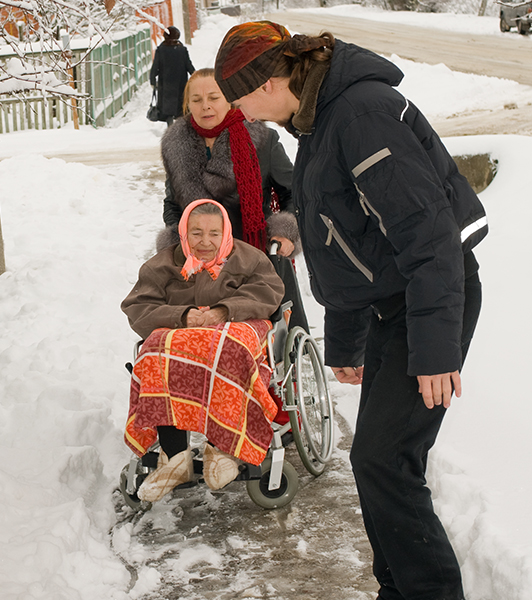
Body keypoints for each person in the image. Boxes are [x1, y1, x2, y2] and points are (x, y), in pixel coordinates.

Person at [214, 21, 488, 600]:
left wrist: (435, 348)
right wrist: (346, 339)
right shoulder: (317, 120)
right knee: (373, 460)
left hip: (432, 298)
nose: (244, 115)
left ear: (267, 83)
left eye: (240, 102)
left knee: (388, 462)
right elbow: (345, 241)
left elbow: (428, 235)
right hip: (396, 305)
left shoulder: (359, 115)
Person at [121, 199, 285, 503]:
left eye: (214, 233)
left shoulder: (249, 258)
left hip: (237, 326)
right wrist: (182, 316)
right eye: (196, 233)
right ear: (183, 233)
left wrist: (226, 309)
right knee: (156, 351)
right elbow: (138, 306)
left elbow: (268, 291)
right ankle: (175, 459)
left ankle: (221, 450)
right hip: (182, 331)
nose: (205, 242)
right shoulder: (163, 264)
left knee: (226, 349)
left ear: (225, 233)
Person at [159, 67, 309, 333]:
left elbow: (294, 193)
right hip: (200, 256)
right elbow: (173, 204)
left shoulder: (262, 138)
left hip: (256, 254)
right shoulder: (176, 145)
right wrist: (179, 239)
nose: (205, 106)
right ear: (188, 104)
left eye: (213, 97)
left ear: (228, 98)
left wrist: (285, 233)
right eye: (197, 100)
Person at [149, 26, 195, 127]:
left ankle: (169, 123)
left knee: (167, 106)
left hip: (166, 84)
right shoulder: (182, 50)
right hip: (180, 83)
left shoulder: (161, 50)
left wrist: (153, 80)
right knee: (180, 105)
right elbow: (189, 65)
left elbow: (155, 67)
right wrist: (196, 76)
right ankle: (180, 125)